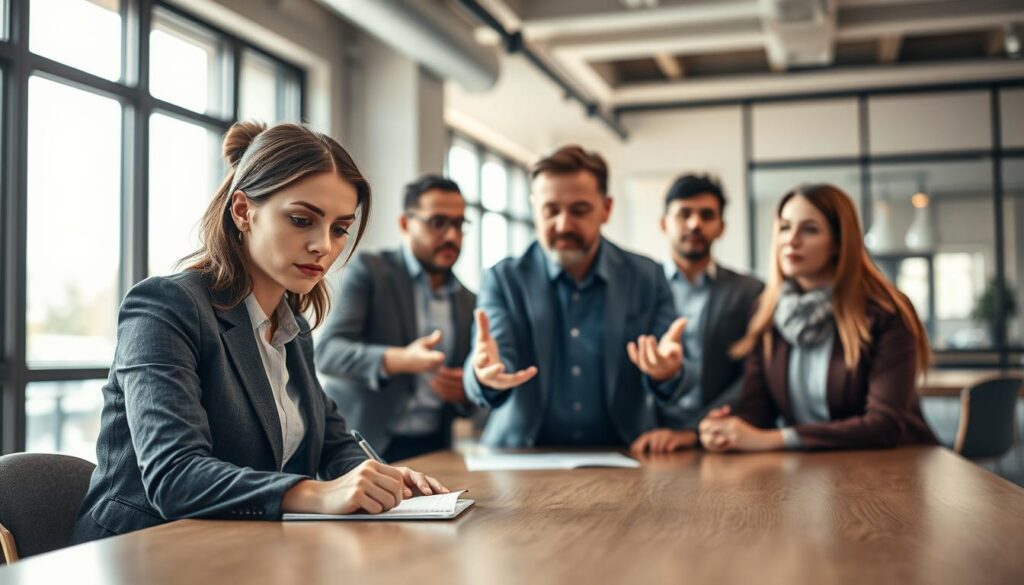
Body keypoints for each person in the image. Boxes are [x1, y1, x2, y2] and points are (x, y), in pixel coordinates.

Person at [73, 122, 447, 544]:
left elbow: (331, 445)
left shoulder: (293, 328)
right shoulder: (166, 306)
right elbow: (174, 475)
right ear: (242, 211)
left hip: (245, 550)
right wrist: (315, 494)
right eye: (302, 219)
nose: (323, 245)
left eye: (340, 228)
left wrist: (382, 480)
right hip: (142, 553)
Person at [464, 145, 688, 448]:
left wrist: (667, 372)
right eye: (551, 210)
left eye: (579, 210)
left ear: (606, 208)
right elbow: (489, 357)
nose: (563, 224)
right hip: (521, 456)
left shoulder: (647, 276)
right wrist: (484, 374)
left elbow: (671, 364)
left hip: (625, 455)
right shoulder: (503, 279)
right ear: (535, 208)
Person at [698, 183, 937, 452]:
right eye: (785, 228)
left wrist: (776, 439)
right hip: (813, 472)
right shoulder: (766, 312)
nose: (792, 239)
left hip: (899, 468)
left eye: (809, 229)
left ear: (838, 242)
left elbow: (884, 425)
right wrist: (727, 429)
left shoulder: (885, 312)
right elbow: (758, 413)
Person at [315, 175, 476, 461]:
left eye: (459, 224)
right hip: (360, 447)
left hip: (434, 449)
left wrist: (465, 390)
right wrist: (399, 359)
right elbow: (327, 353)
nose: (452, 236)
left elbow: (470, 391)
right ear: (405, 224)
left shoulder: (468, 300)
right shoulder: (370, 272)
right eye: (438, 222)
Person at [631, 175, 763, 454]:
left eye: (706, 215)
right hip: (643, 441)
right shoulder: (636, 287)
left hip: (720, 439)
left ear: (721, 227)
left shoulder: (749, 291)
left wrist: (694, 430)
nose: (695, 224)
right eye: (684, 214)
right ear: (664, 223)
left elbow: (752, 372)